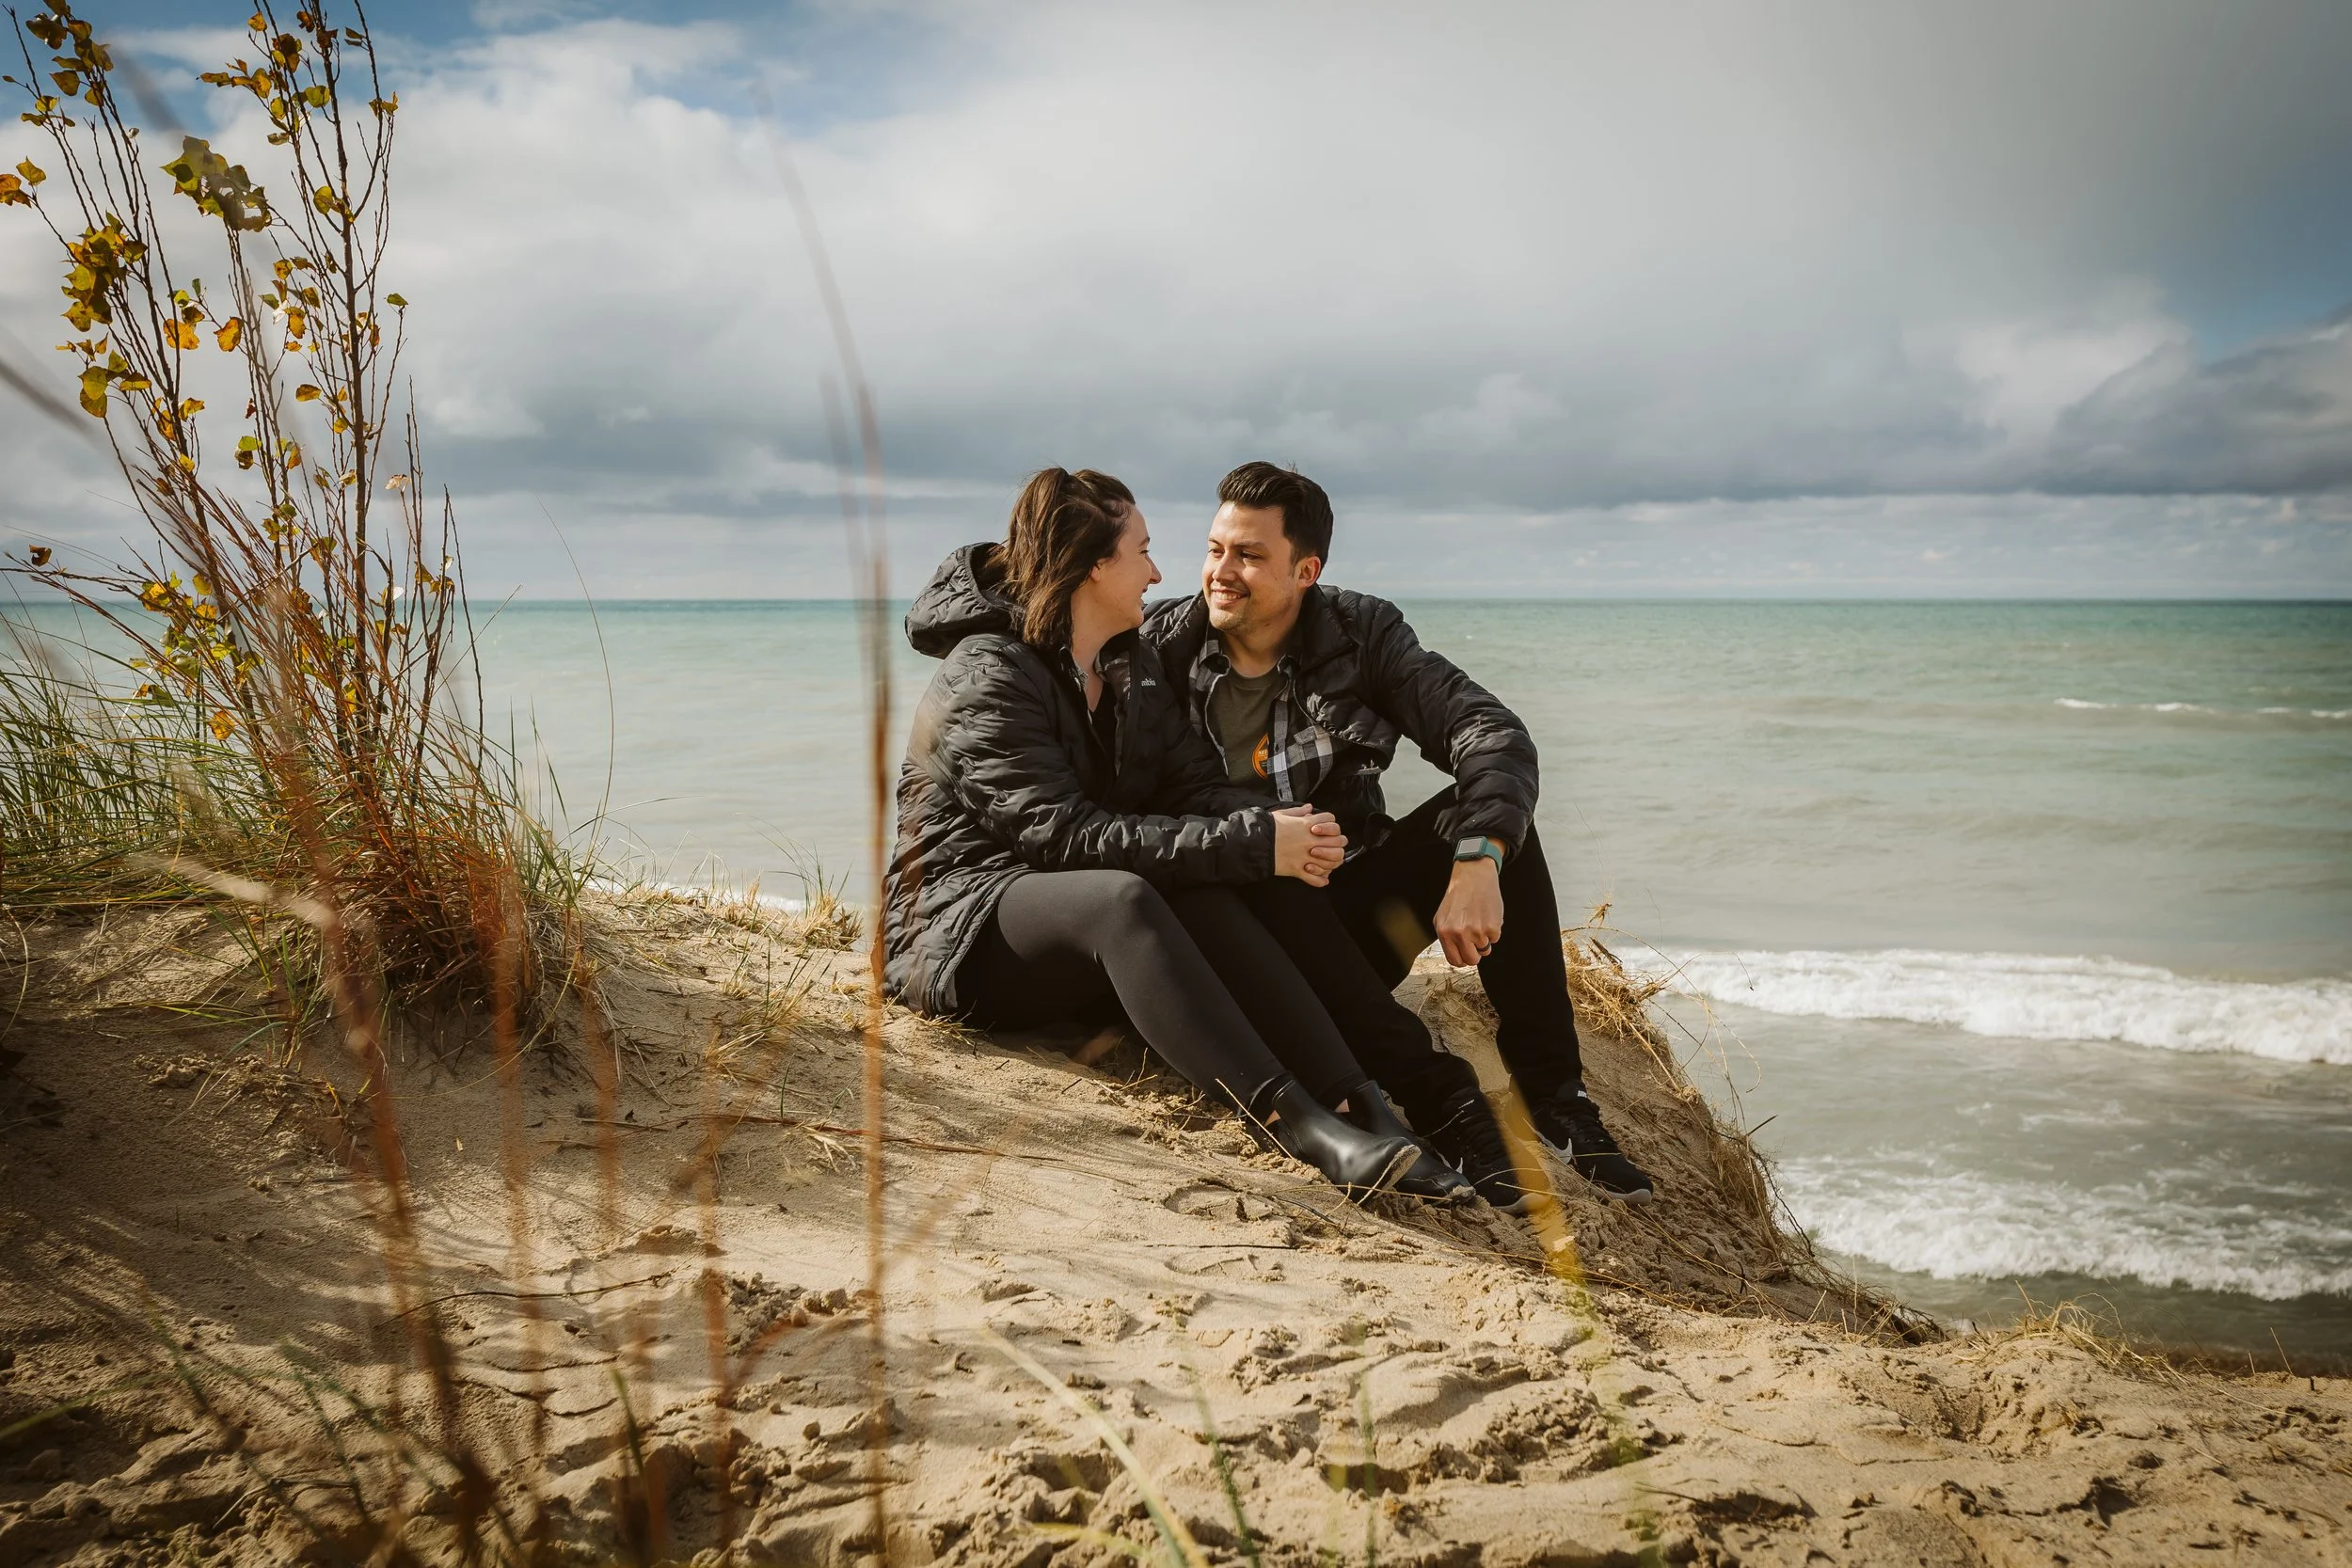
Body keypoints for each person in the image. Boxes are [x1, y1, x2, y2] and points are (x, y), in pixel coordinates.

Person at [882, 467, 1434, 1202]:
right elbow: (1064, 837)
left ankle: (1360, 1102)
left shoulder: (1126, 663)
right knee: (1126, 899)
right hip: (961, 930)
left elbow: (1185, 785)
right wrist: (1248, 843)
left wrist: (1271, 827)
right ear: (1095, 565)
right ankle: (1297, 1123)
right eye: (1141, 551)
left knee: (1221, 877)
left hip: (1064, 934)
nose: (1159, 572)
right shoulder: (986, 674)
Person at [1141, 462, 1656, 1203]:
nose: (1221, 572)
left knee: (1486, 821)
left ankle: (1554, 1095)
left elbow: (1490, 733)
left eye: (1249, 555)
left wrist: (1477, 862)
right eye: (1217, 548)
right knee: (1255, 871)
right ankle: (1446, 1104)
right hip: (1239, 933)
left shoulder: (1361, 632)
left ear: (1306, 569)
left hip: (1344, 915)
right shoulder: (1161, 651)